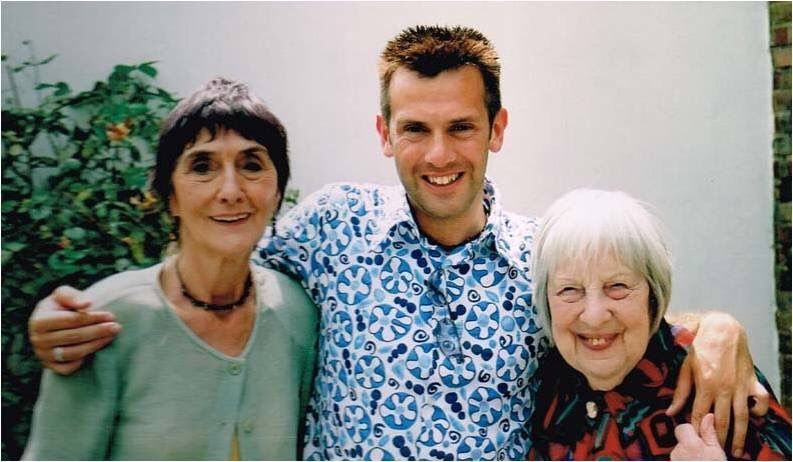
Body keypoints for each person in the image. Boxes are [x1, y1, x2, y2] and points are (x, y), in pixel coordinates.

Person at [28, 26, 766, 460]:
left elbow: (614, 315)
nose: (438, 153)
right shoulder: (330, 227)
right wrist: (77, 314)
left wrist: (717, 329)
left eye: (460, 127)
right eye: (415, 128)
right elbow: (219, 266)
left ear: (496, 131)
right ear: (384, 134)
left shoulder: (544, 257)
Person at [23, 78, 317, 460]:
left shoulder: (298, 314)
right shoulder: (102, 319)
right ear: (169, 196)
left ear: (277, 191)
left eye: (251, 164)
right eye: (202, 166)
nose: (230, 190)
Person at [527, 189, 791, 460]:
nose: (594, 316)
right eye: (570, 290)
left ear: (654, 296)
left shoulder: (713, 379)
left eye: (617, 286)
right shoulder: (543, 382)